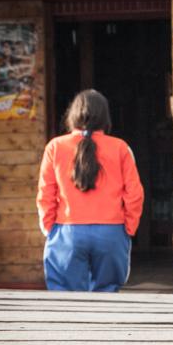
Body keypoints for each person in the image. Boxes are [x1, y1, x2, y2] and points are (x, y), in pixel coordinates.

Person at [36, 90, 144, 292]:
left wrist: (49, 228)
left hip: (67, 232)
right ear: (105, 116)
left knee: (65, 301)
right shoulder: (121, 148)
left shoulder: (55, 147)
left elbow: (46, 193)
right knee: (107, 297)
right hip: (111, 232)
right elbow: (134, 193)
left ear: (73, 115)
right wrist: (129, 227)